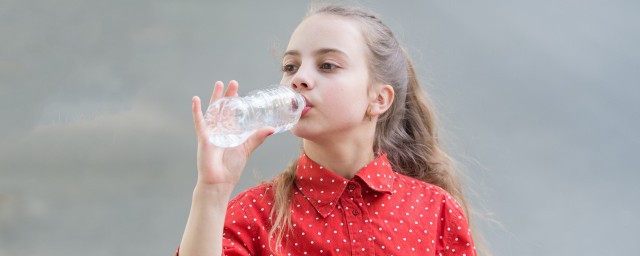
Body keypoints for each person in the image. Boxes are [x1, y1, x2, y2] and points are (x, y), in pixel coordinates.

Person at [178, 4, 480, 256]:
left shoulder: (435, 209)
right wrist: (211, 191)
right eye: (290, 67)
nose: (300, 78)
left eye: (327, 65)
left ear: (378, 99)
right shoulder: (252, 214)